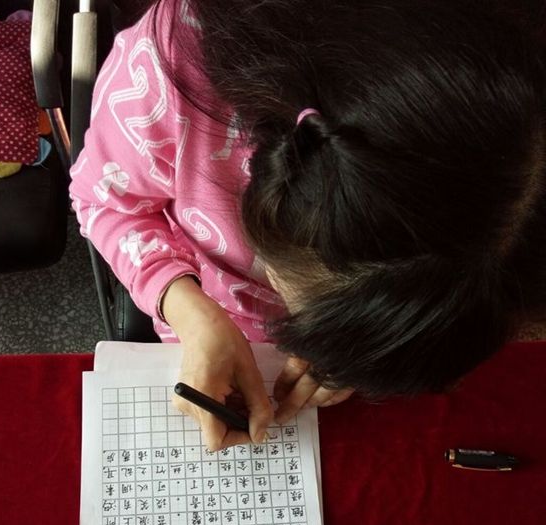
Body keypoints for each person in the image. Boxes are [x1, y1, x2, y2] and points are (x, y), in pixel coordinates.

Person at [70, 0, 546, 451]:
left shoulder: (521, 178)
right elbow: (100, 201)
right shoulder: (172, 72)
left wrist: (355, 354)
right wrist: (189, 310)